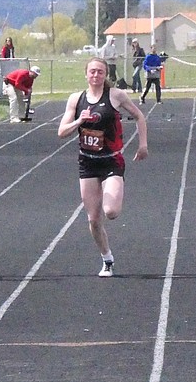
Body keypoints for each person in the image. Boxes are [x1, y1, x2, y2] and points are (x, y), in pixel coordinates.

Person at [57, 57, 148, 277]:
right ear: (86, 74)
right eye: (92, 72)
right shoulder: (75, 99)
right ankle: (107, 258)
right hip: (87, 162)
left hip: (111, 160)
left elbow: (139, 116)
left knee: (111, 211)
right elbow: (61, 132)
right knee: (93, 219)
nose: (96, 76)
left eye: (100, 72)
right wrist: (79, 121)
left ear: (105, 74)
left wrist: (143, 144)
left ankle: (113, 193)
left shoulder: (115, 96)